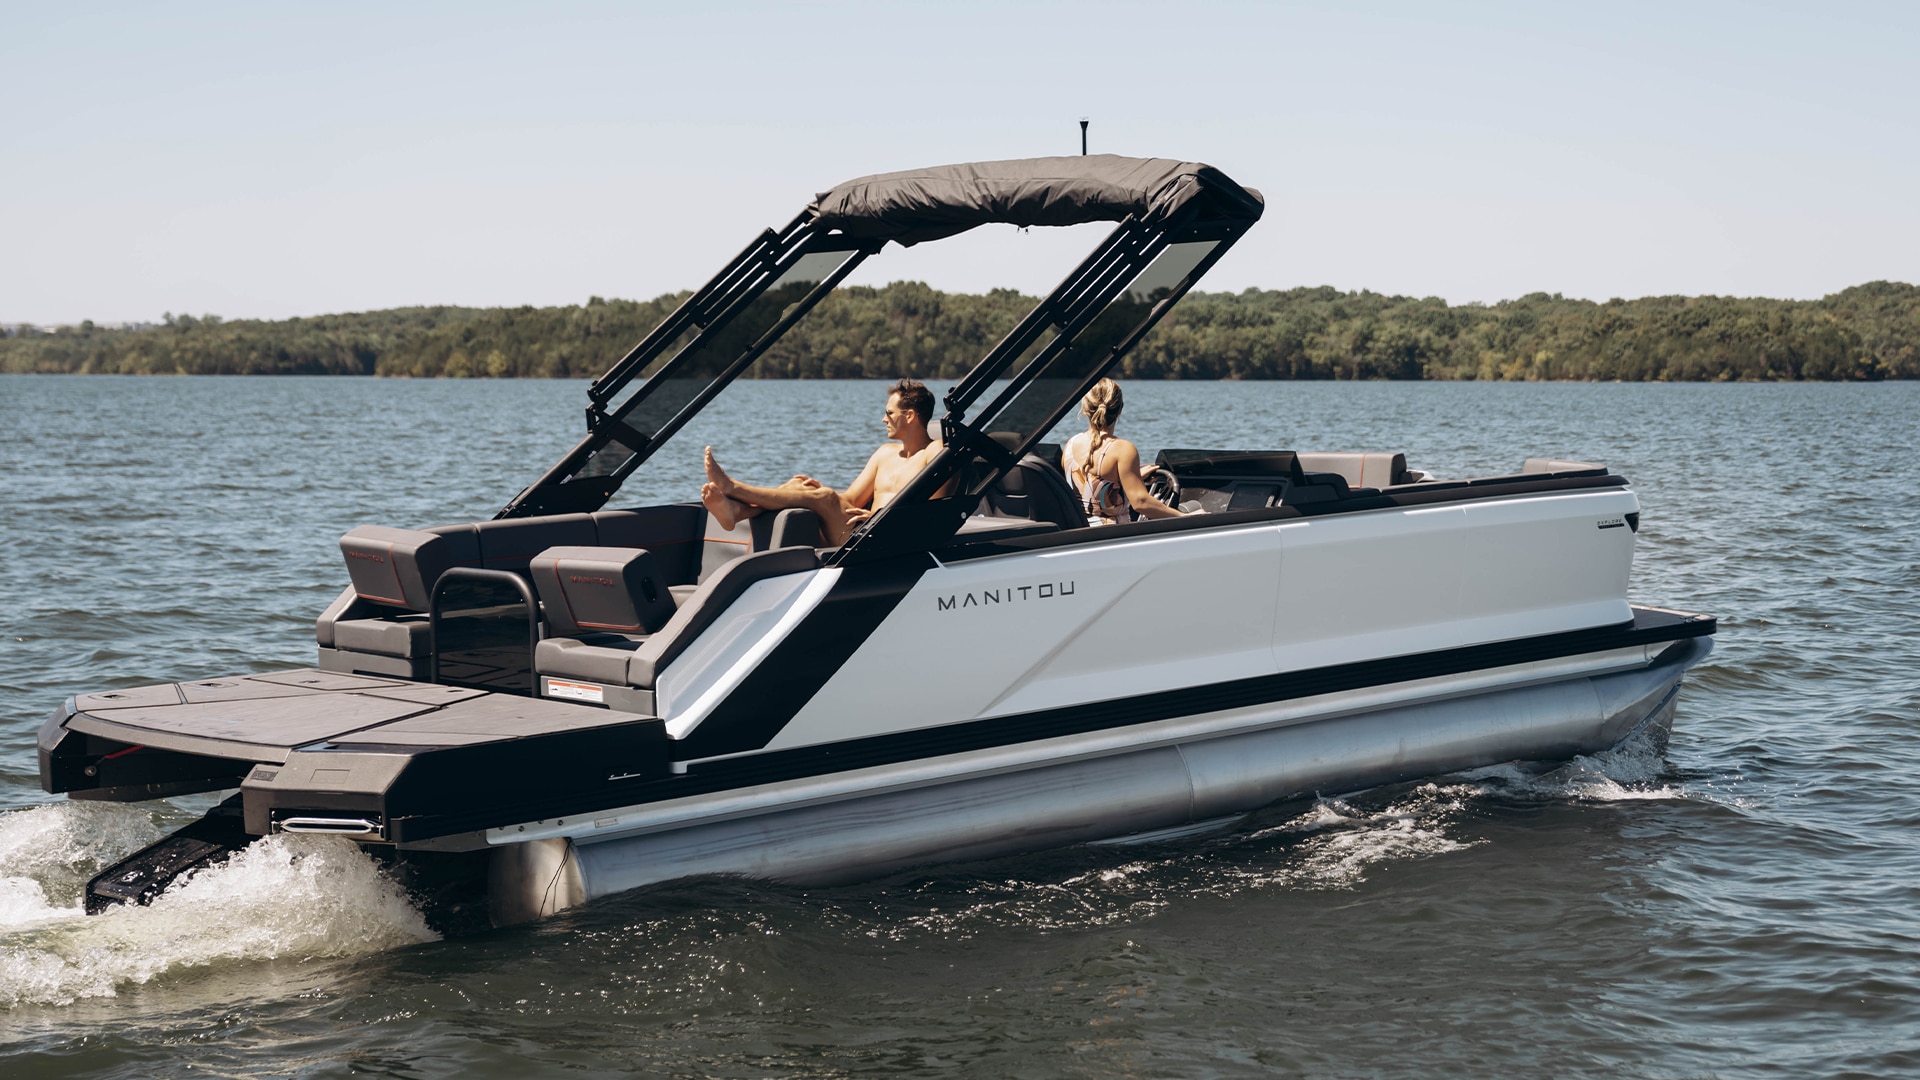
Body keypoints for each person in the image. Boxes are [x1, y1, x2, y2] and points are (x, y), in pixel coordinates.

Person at [701, 378, 943, 547]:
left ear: (910, 415)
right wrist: (816, 491)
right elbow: (850, 500)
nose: (883, 419)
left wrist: (873, 517)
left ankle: (733, 488)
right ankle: (737, 511)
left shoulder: (934, 453)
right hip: (858, 530)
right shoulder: (885, 453)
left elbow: (932, 516)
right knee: (801, 485)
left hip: (885, 540)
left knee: (825, 497)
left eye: (889, 413)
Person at [1060, 378, 1184, 526]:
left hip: (1078, 532)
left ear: (1085, 408)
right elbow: (1141, 503)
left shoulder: (1070, 444)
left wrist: (1131, 477)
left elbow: (1088, 487)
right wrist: (1185, 516)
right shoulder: (1122, 449)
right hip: (1112, 537)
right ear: (1120, 409)